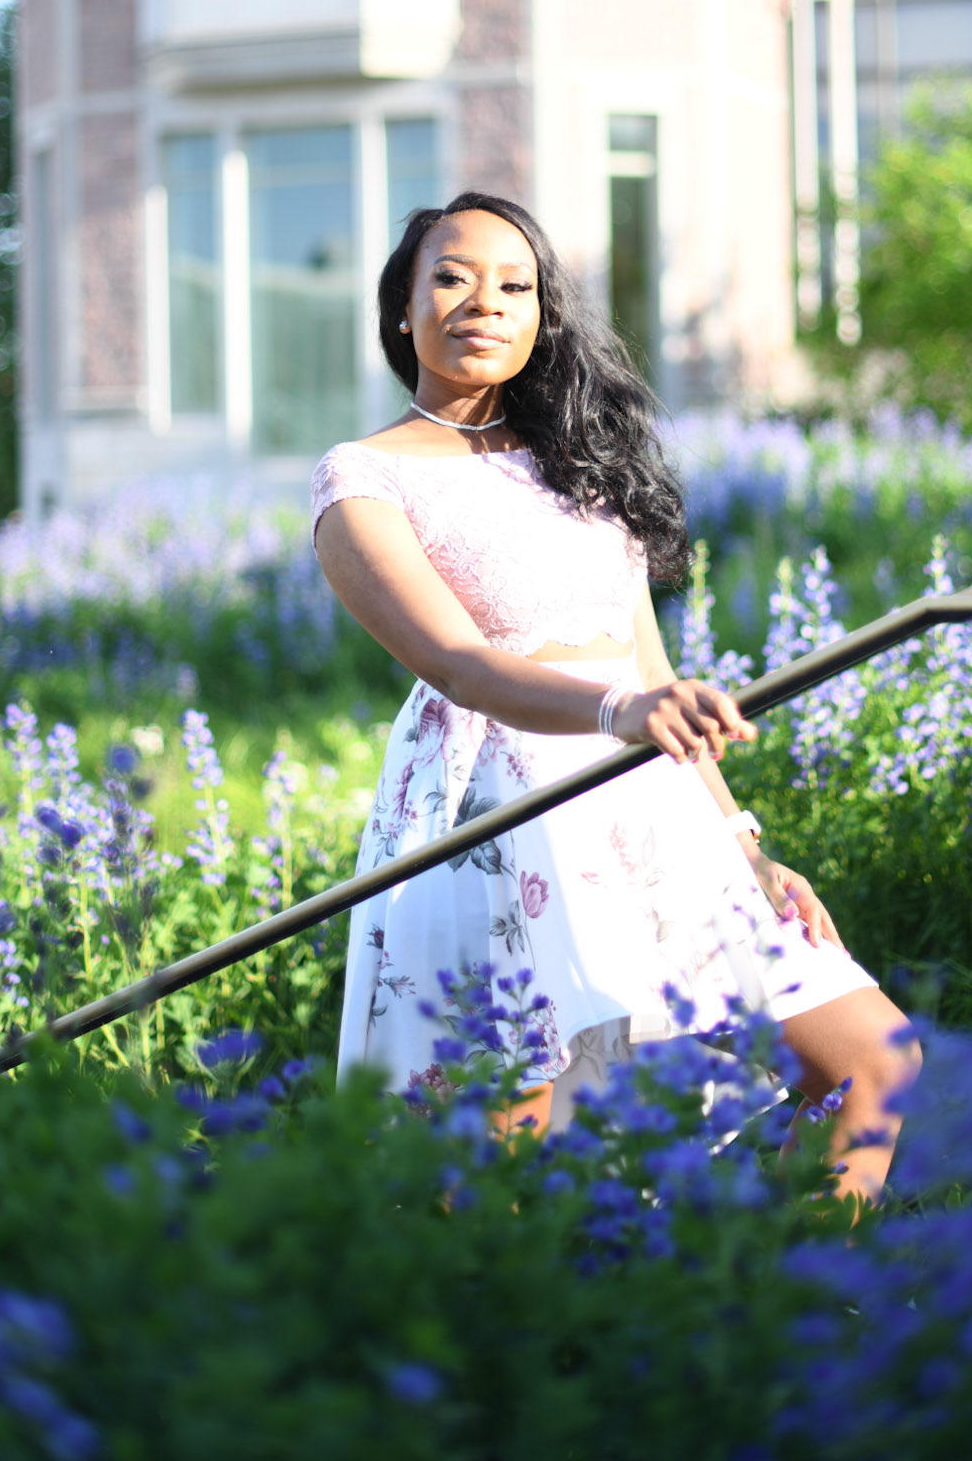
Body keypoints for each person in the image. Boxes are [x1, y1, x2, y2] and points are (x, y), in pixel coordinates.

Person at [312, 192, 918, 1201]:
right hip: (496, 811)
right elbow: (459, 665)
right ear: (402, 311)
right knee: (502, 1156)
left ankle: (798, 1292)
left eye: (515, 286)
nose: (484, 301)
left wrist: (746, 845)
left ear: (541, 316)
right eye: (452, 277)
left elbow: (649, 669)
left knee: (873, 1059)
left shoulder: (577, 461)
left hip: (646, 797)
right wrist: (615, 712)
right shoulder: (363, 477)